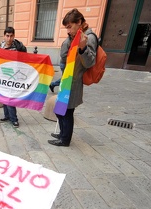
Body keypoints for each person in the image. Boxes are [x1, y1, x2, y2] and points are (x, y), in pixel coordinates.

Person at [48, 8, 97, 147]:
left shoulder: (89, 37)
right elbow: (64, 56)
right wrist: (70, 39)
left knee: (67, 112)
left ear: (79, 22)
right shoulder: (74, 36)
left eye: (70, 27)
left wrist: (82, 48)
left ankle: (65, 140)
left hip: (74, 81)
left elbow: (89, 62)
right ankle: (62, 133)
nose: (68, 30)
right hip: (67, 78)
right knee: (59, 110)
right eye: (66, 28)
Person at [0, 27, 27, 128]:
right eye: (7, 36)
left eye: (11, 36)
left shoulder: (19, 47)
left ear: (14, 36)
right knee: (3, 97)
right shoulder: (1, 46)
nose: (9, 38)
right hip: (4, 75)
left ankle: (14, 119)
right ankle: (7, 116)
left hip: (14, 76)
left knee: (10, 98)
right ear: (4, 36)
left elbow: (26, 59)